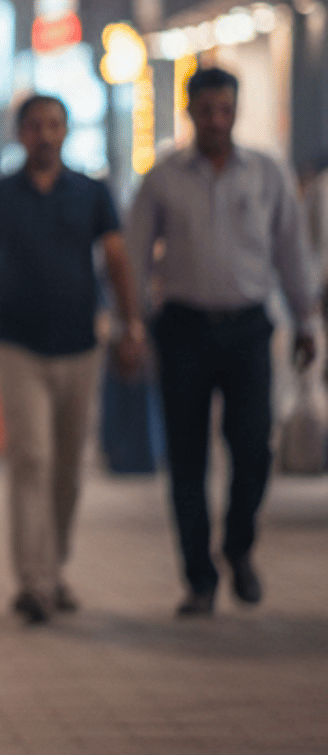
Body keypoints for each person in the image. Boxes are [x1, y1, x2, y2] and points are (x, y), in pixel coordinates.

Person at [0, 95, 144, 625]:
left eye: (54, 125)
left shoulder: (93, 193)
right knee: (31, 459)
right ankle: (33, 582)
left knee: (69, 469)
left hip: (81, 345)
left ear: (67, 131)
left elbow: (118, 260)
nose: (45, 135)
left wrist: (132, 326)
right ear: (20, 134)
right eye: (35, 126)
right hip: (16, 347)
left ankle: (54, 569)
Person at [125, 66, 319, 615]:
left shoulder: (266, 175)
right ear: (190, 112)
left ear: (236, 111)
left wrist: (306, 321)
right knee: (186, 459)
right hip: (183, 327)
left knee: (254, 446)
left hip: (248, 328)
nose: (216, 120)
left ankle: (238, 546)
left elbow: (292, 253)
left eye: (225, 110)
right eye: (207, 110)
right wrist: (131, 326)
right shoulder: (163, 177)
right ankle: (199, 578)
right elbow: (135, 255)